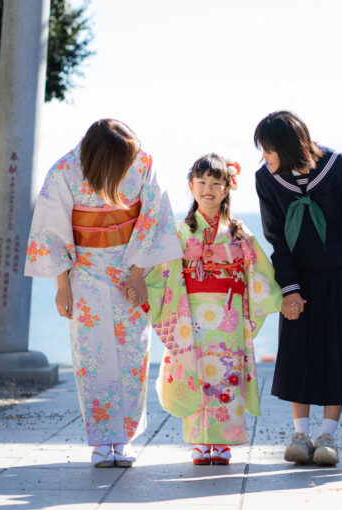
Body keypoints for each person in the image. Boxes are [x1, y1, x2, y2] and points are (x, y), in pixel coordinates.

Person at [25, 118, 180, 468]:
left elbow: (154, 216)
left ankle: (122, 440)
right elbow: (52, 230)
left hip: (129, 269)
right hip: (85, 272)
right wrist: (62, 286)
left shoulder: (141, 161)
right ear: (99, 155)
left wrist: (140, 273)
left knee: (133, 354)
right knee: (91, 357)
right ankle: (100, 440)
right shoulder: (66, 169)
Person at [254, 111, 342, 467]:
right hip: (301, 280)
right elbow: (276, 240)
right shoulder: (266, 179)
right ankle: (299, 435)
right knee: (297, 355)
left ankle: (328, 436)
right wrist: (290, 289)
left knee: (337, 357)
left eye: (268, 150)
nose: (264, 159)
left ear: (288, 145)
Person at [146, 154, 282, 466]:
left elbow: (259, 270)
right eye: (202, 182)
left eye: (216, 182)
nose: (208, 188)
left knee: (225, 373)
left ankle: (222, 441)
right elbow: (163, 273)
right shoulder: (180, 231)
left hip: (228, 312)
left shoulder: (238, 231)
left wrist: (280, 296)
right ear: (191, 186)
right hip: (190, 313)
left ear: (227, 188)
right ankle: (199, 441)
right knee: (193, 370)